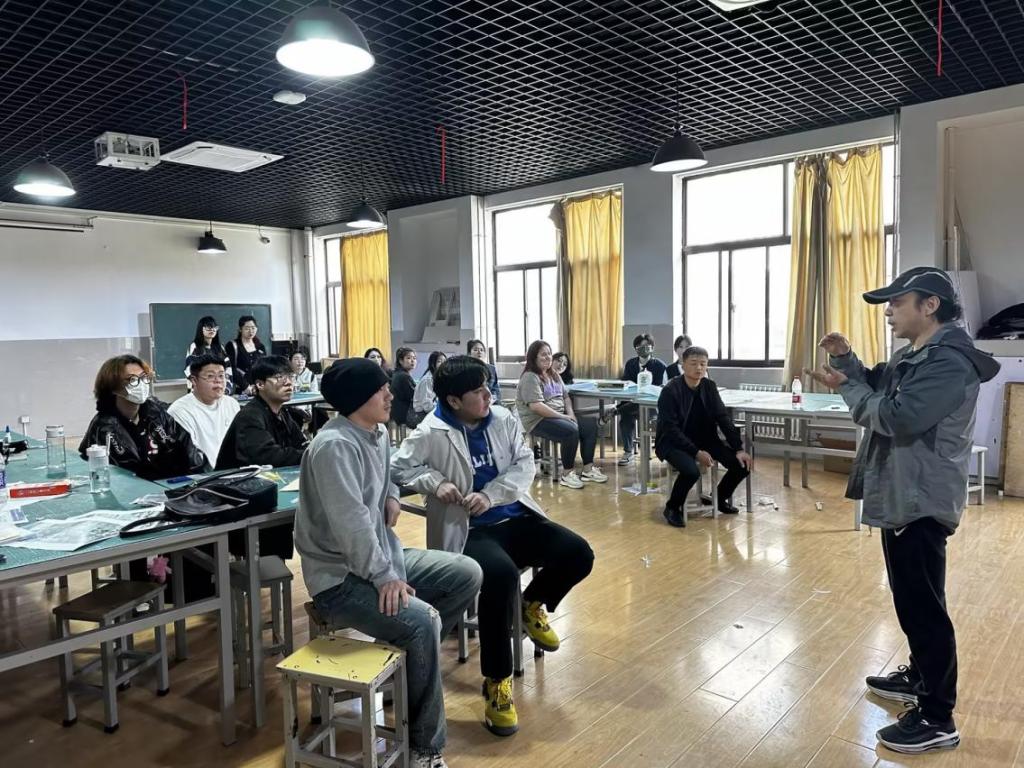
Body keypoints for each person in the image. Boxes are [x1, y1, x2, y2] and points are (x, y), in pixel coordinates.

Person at [807, 267, 999, 755]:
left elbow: (897, 415)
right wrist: (846, 361)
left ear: (930, 306)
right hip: (902, 492)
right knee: (911, 597)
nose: (889, 311)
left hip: (920, 497)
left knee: (923, 606)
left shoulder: (948, 362)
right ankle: (920, 677)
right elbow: (878, 383)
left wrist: (848, 388)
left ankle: (937, 716)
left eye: (897, 302)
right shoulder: (915, 354)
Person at [294, 358, 482, 768]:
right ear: (358, 398)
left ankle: (410, 669)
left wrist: (393, 495)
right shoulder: (334, 447)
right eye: (381, 390)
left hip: (382, 556)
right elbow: (352, 525)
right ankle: (424, 749)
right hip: (339, 578)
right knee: (423, 621)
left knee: (466, 573)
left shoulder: (376, 432)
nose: (390, 394)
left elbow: (390, 472)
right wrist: (384, 577)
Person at [392, 356, 594, 737]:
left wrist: (491, 495)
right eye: (478, 391)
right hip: (470, 532)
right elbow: (398, 467)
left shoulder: (501, 419)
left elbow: (524, 463)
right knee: (500, 577)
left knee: (579, 553)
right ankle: (497, 682)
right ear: (454, 401)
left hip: (515, 517)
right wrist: (435, 482)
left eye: (487, 387)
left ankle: (531, 604)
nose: (488, 395)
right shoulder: (431, 431)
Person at [655, 346, 752, 527]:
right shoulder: (670, 390)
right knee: (691, 471)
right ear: (683, 364)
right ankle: (672, 507)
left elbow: (722, 418)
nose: (699, 368)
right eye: (693, 363)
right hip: (673, 442)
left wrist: (738, 448)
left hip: (706, 440)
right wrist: (696, 452)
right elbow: (670, 429)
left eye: (703, 364)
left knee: (742, 466)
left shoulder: (709, 386)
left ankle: (718, 498)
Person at [79, 355, 207, 480]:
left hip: (174, 484)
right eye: (132, 380)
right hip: (137, 490)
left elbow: (187, 448)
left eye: (144, 377)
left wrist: (198, 479)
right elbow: (123, 475)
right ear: (113, 387)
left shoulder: (155, 412)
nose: (141, 384)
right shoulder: (104, 426)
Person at [515, 340, 607, 489]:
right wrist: (564, 417)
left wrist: (571, 415)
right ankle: (567, 474)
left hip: (558, 415)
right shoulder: (530, 377)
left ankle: (588, 470)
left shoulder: (554, 375)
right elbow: (536, 406)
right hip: (538, 420)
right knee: (570, 430)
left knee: (590, 425)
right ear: (534, 357)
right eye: (543, 354)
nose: (548, 357)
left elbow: (565, 397)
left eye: (549, 354)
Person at [216, 355, 307, 471]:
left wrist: (312, 451)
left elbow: (301, 443)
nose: (288, 383)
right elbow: (269, 457)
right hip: (235, 481)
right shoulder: (250, 415)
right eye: (279, 377)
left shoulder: (282, 413)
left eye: (291, 376)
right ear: (260, 384)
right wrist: (309, 455)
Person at [168, 353, 241, 468]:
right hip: (202, 474)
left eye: (221, 376)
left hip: (233, 472)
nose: (218, 381)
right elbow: (189, 457)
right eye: (210, 376)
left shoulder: (231, 404)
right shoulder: (180, 411)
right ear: (194, 380)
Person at [605, 334, 668, 467]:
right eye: (639, 346)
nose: (643, 348)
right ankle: (628, 452)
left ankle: (615, 411)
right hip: (631, 404)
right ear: (635, 348)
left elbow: (659, 389)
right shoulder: (631, 364)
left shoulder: (660, 366)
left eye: (646, 346)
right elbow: (626, 382)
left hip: (651, 407)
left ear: (652, 348)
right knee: (626, 419)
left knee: (628, 408)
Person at [183, 315, 232, 385]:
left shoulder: (220, 347)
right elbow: (189, 369)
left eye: (214, 327)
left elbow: (228, 368)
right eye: (209, 327)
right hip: (201, 388)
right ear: (201, 329)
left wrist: (226, 386)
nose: (212, 330)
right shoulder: (194, 346)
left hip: (219, 387)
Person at [225, 315, 266, 392]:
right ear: (240, 329)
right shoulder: (233, 345)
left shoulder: (260, 346)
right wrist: (246, 387)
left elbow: (264, 367)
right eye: (247, 328)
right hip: (241, 389)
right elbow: (231, 369)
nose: (251, 331)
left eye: (253, 328)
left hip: (259, 388)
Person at [412, 351, 446, 426]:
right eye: (439, 361)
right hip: (422, 416)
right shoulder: (428, 380)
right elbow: (427, 407)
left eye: (444, 361)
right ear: (433, 364)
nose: (443, 364)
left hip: (430, 413)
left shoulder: (437, 378)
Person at [390, 347, 418, 428]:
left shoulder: (398, 373)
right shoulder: (404, 376)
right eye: (408, 358)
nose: (412, 361)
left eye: (414, 358)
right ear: (401, 361)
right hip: (404, 414)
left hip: (397, 412)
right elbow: (415, 396)